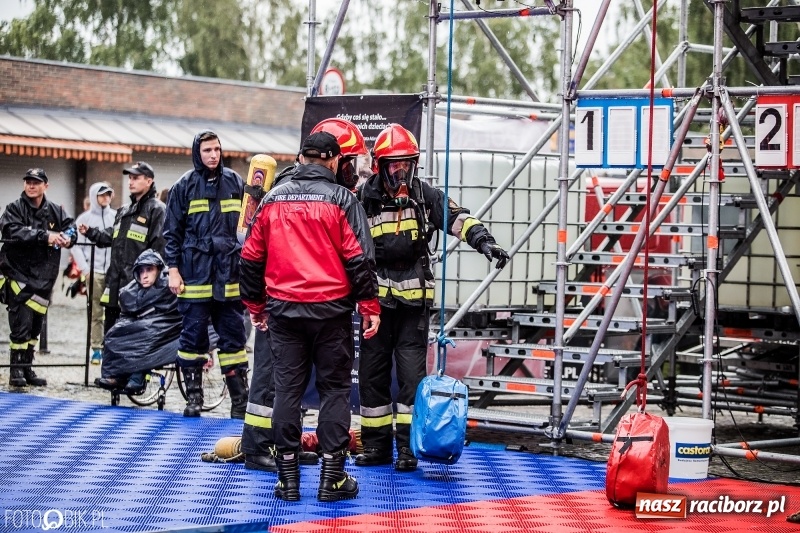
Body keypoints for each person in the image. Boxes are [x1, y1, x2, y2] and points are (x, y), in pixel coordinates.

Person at [354, 123, 510, 472]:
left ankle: (408, 450)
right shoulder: (364, 199)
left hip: (413, 307)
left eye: (407, 164)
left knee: (411, 379)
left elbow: (459, 219)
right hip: (376, 307)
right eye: (394, 165)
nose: (401, 172)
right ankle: (377, 449)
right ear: (380, 165)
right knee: (372, 376)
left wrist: (485, 242)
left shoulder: (425, 196)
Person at [240, 131, 380, 502]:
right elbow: (360, 260)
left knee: (287, 390)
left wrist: (256, 307)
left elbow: (250, 258)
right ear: (334, 161)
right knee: (334, 390)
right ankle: (331, 479)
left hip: (283, 311)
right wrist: (369, 306)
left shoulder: (271, 199)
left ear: (301, 158)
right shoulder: (342, 199)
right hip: (331, 311)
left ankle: (288, 480)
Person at [164, 130, 249, 419]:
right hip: (194, 277)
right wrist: (173, 271)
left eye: (216, 149)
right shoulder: (183, 187)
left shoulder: (235, 183)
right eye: (207, 151)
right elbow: (171, 234)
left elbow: (247, 230)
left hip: (229, 276)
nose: (213, 155)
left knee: (234, 340)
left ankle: (239, 402)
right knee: (192, 341)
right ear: (197, 154)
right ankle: (194, 399)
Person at [0, 168, 77, 388]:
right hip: (18, 274)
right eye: (28, 182)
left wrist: (67, 238)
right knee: (21, 325)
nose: (31, 186)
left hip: (44, 279)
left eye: (36, 182)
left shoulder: (54, 211)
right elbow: (11, 230)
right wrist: (45, 236)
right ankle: (16, 371)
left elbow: (71, 227)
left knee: (35, 328)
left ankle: (27, 368)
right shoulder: (14, 208)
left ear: (46, 186)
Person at [79, 161, 165, 343]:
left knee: (133, 338)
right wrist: (91, 232)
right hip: (115, 286)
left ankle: (133, 373)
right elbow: (111, 237)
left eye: (136, 178)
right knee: (111, 336)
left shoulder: (157, 210)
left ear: (149, 181)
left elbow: (159, 250)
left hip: (138, 288)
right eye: (130, 178)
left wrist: (148, 281)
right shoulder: (125, 211)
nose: (131, 182)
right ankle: (110, 372)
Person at [95, 250, 181, 394]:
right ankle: (117, 374)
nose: (145, 275)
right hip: (143, 326)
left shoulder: (168, 287)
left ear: (159, 270)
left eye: (149, 270)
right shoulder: (130, 291)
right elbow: (126, 314)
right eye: (141, 271)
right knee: (114, 333)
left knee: (145, 334)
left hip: (165, 330)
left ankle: (137, 375)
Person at [71, 182, 116, 364]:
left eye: (108, 194)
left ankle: (111, 347)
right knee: (96, 312)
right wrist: (85, 269)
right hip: (94, 272)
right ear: (94, 196)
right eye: (101, 194)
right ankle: (96, 348)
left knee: (114, 311)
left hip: (113, 273)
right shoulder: (84, 218)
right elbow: (76, 245)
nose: (105, 198)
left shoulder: (116, 216)